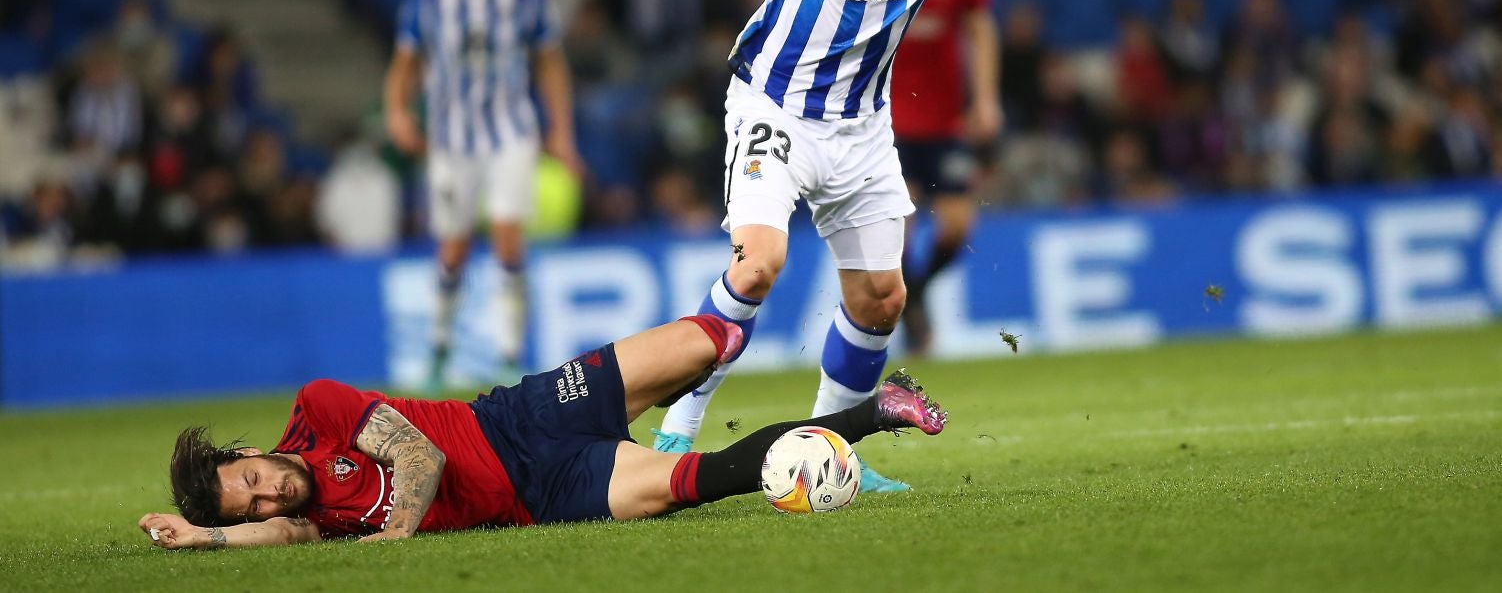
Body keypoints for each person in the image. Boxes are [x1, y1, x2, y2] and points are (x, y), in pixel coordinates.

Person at [556, 0, 1273, 492]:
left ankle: (832, 450)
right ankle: (681, 421)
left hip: (863, 126)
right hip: (775, 106)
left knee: (882, 299)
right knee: (759, 263)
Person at [137, 315, 947, 548]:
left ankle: (687, 402)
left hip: (522, 415)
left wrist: (396, 535)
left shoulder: (318, 409)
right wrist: (200, 539)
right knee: (701, 480)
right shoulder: (306, 522)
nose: (266, 497)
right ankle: (873, 412)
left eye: (249, 484)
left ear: (248, 454)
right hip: (543, 495)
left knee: (711, 339)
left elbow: (415, 455)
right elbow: (284, 542)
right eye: (250, 510)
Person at [385, 0, 582, 388]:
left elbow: (551, 66)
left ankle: (510, 354)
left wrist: (560, 130)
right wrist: (397, 112)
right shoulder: (427, 1)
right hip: (450, 142)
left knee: (508, 238)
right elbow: (404, 65)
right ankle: (439, 348)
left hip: (511, 134)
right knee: (452, 248)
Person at [888, 0, 1000, 358]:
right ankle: (911, 313)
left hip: (946, 120)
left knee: (957, 228)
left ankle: (915, 292)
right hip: (887, 121)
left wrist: (986, 99)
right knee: (897, 231)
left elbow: (980, 28)